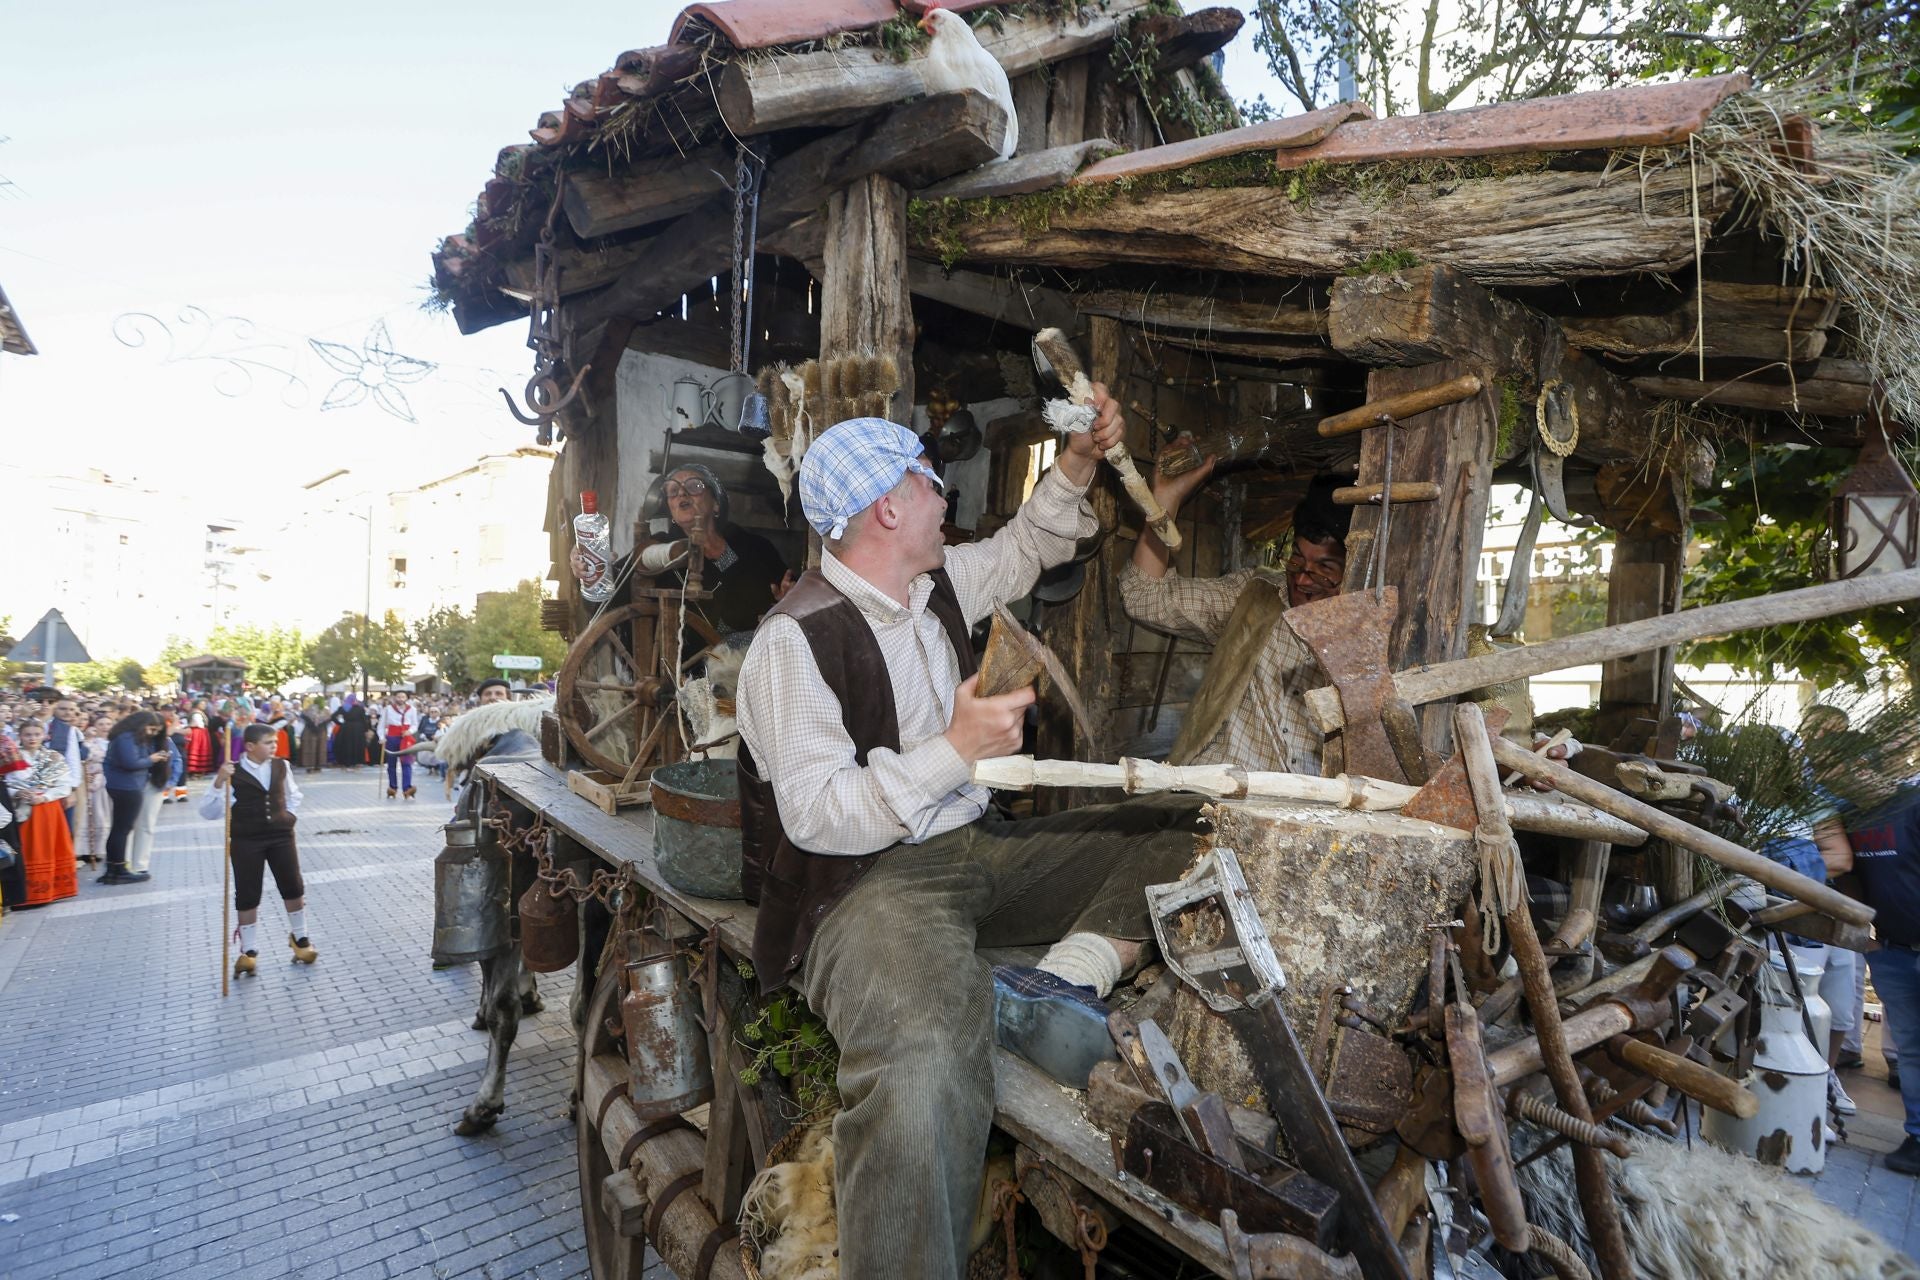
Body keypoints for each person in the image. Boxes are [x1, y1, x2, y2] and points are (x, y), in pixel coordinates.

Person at [736, 409, 1207, 1280]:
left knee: (1178, 823)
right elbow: (818, 815)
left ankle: (1062, 980)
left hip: (972, 848)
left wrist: (1075, 460)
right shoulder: (790, 643)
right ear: (885, 507)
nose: (938, 491)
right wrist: (955, 750)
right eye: (923, 478)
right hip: (861, 890)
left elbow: (1028, 547)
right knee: (921, 1058)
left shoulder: (936, 580)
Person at [1118, 444, 1351, 774]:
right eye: (1297, 558)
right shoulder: (1256, 595)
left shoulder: (1373, 634)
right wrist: (1164, 505)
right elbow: (1144, 597)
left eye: (1325, 568)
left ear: (1355, 567)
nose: (1301, 578)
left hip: (1308, 812)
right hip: (1217, 794)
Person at [571, 463, 793, 651]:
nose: (681, 494)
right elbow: (603, 602)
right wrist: (587, 572)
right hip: (692, 673)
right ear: (670, 508)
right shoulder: (658, 550)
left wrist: (789, 598)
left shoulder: (754, 547)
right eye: (672, 491)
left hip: (759, 655)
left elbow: (793, 591)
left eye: (693, 487)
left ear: (716, 503)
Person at [200, 723, 318, 976]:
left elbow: (294, 795)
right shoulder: (232, 771)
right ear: (251, 746)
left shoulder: (281, 766)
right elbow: (208, 812)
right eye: (268, 743)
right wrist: (219, 781)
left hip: (281, 835)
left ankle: (301, 938)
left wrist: (289, 816)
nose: (274, 747)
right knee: (248, 892)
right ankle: (249, 951)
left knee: (293, 885)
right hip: (246, 839)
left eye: (275, 742)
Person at [10, 719, 79, 906]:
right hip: (22, 809)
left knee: (49, 847)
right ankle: (26, 894)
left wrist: (45, 796)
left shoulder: (53, 757)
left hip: (48, 809)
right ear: (20, 736)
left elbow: (64, 784)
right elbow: (5, 784)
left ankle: (53, 890)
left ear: (45, 736)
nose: (32, 738)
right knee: (27, 848)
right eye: (27, 735)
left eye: (36, 734)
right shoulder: (11, 757)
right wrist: (17, 792)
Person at [104, 710, 168, 884]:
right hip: (127, 786)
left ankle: (113, 868)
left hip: (124, 785)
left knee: (119, 828)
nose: (152, 734)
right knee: (122, 829)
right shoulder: (127, 737)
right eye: (151, 729)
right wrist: (152, 759)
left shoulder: (125, 736)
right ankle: (119, 868)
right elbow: (130, 762)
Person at [47, 698, 86, 840]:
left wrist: (71, 789)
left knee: (65, 827)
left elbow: (74, 760)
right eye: (63, 709)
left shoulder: (72, 730)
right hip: (44, 785)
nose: (67, 713)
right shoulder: (46, 727)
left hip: (64, 785)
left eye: (71, 710)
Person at [379, 688, 420, 799]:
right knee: (391, 764)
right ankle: (393, 787)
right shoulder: (388, 709)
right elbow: (381, 725)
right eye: (398, 697)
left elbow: (415, 725)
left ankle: (407, 788)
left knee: (406, 763)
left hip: (405, 738)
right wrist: (382, 737)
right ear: (394, 698)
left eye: (403, 697)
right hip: (392, 737)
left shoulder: (411, 709)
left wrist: (409, 731)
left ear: (406, 698)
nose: (400, 699)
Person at [81, 714, 110, 865]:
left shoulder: (114, 742)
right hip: (93, 781)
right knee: (93, 814)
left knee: (105, 815)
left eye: (107, 724)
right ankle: (88, 850)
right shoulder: (89, 744)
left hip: (109, 781)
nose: (105, 727)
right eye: (101, 724)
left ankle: (102, 848)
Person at [332, 696, 373, 769]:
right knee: (357, 745)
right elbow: (364, 720)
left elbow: (333, 716)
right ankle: (357, 761)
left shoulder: (343, 708)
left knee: (347, 745)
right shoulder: (360, 708)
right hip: (358, 729)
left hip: (346, 728)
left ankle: (347, 762)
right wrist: (366, 729)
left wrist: (340, 724)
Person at [297, 698, 330, 774]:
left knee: (309, 747)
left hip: (309, 731)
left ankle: (309, 766)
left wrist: (298, 734)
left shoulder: (307, 710)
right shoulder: (326, 711)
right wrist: (328, 734)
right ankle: (319, 766)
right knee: (320, 748)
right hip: (322, 731)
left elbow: (301, 722)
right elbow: (329, 723)